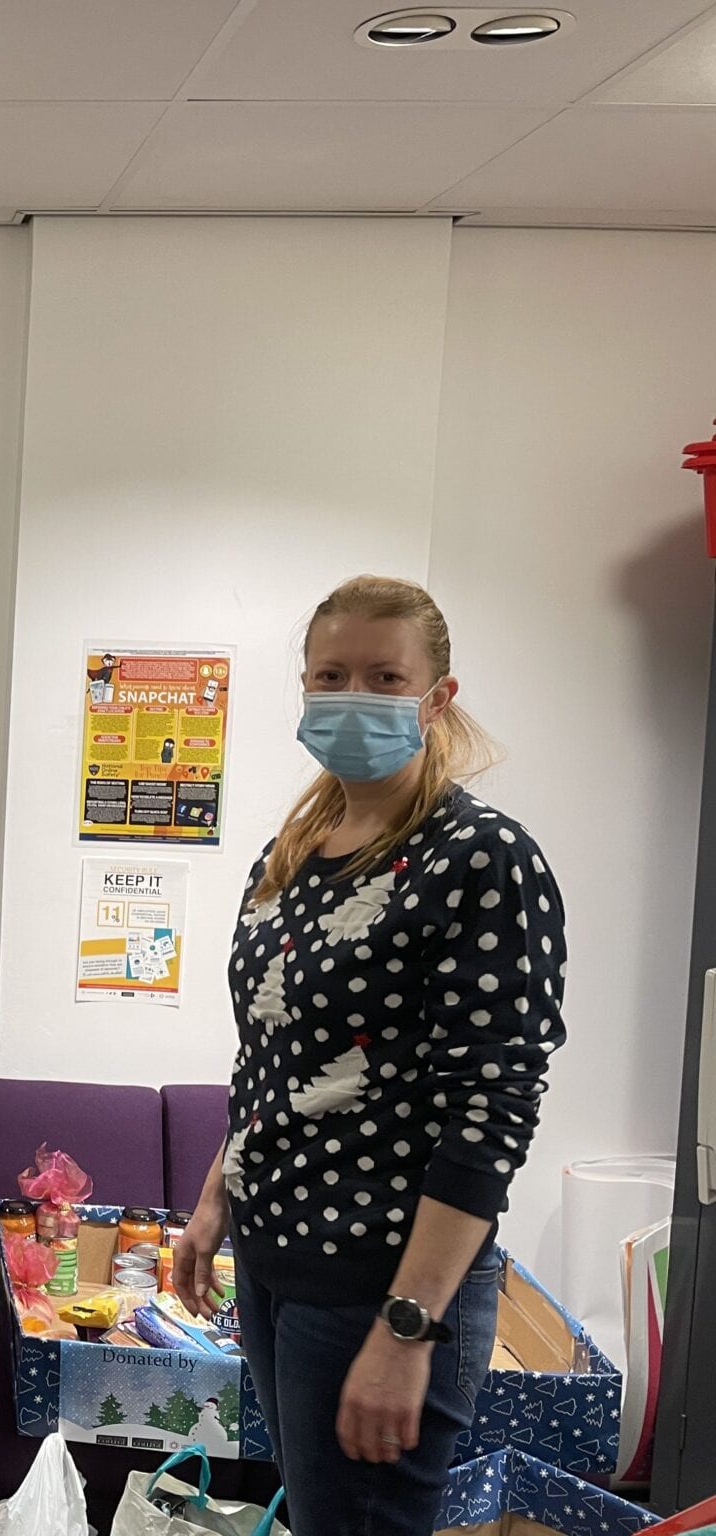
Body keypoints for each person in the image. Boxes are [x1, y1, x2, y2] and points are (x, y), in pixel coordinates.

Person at [172, 576, 567, 1535]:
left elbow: (493, 1111)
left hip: (379, 1284)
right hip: (275, 1267)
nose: (354, 694)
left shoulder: (480, 856)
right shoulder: (294, 853)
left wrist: (407, 1328)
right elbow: (270, 1057)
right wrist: (216, 1200)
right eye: (331, 674)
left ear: (438, 698)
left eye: (384, 676)